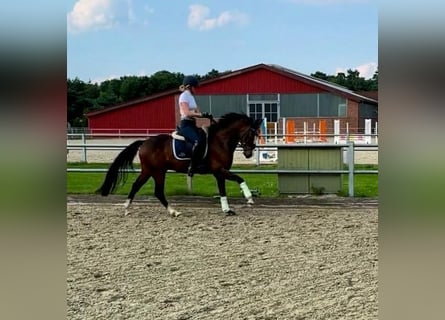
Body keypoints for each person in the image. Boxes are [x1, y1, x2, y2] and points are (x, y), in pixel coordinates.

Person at [178, 75, 209, 177]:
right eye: (194, 87)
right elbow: (187, 113)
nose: (196, 89)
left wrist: (206, 115)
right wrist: (200, 114)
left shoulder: (191, 97)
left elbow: (196, 111)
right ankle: (192, 166)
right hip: (186, 125)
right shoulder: (184, 96)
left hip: (192, 124)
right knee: (197, 141)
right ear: (189, 87)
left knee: (204, 138)